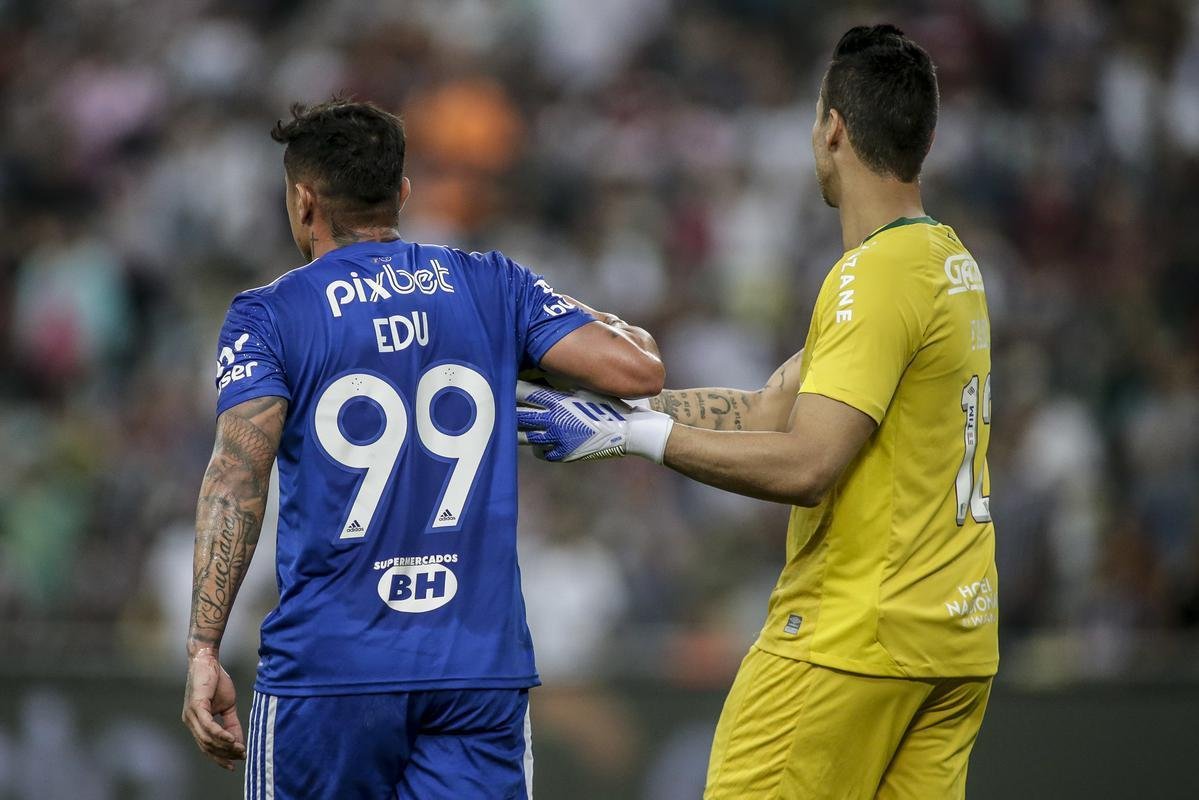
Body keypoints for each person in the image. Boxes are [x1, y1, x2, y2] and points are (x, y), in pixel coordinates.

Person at [517, 25, 997, 799]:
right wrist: (599, 401)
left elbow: (809, 462)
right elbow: (776, 407)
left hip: (848, 639)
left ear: (831, 129)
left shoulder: (869, 279)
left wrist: (635, 437)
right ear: (926, 138)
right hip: (949, 642)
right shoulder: (947, 264)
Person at [180, 98, 663, 799]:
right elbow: (640, 368)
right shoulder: (494, 285)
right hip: (474, 668)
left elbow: (236, 475)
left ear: (303, 199)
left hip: (330, 669)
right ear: (402, 193)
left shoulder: (269, 314)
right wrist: (525, 333)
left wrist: (202, 647)